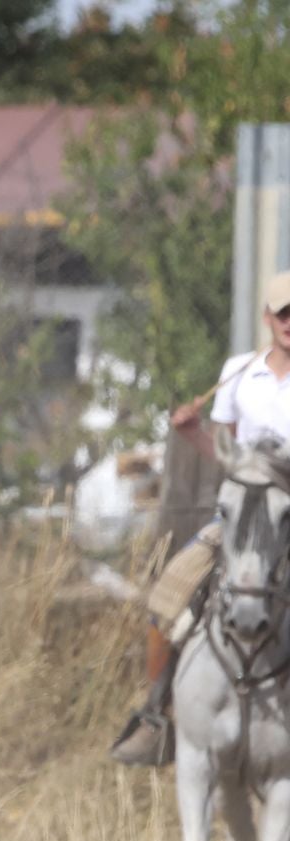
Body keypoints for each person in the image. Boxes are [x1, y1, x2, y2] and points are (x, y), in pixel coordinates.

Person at [112, 270, 290, 766]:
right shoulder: (240, 371)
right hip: (239, 517)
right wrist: (191, 433)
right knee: (170, 592)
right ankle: (155, 717)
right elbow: (223, 453)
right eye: (283, 313)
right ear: (267, 318)